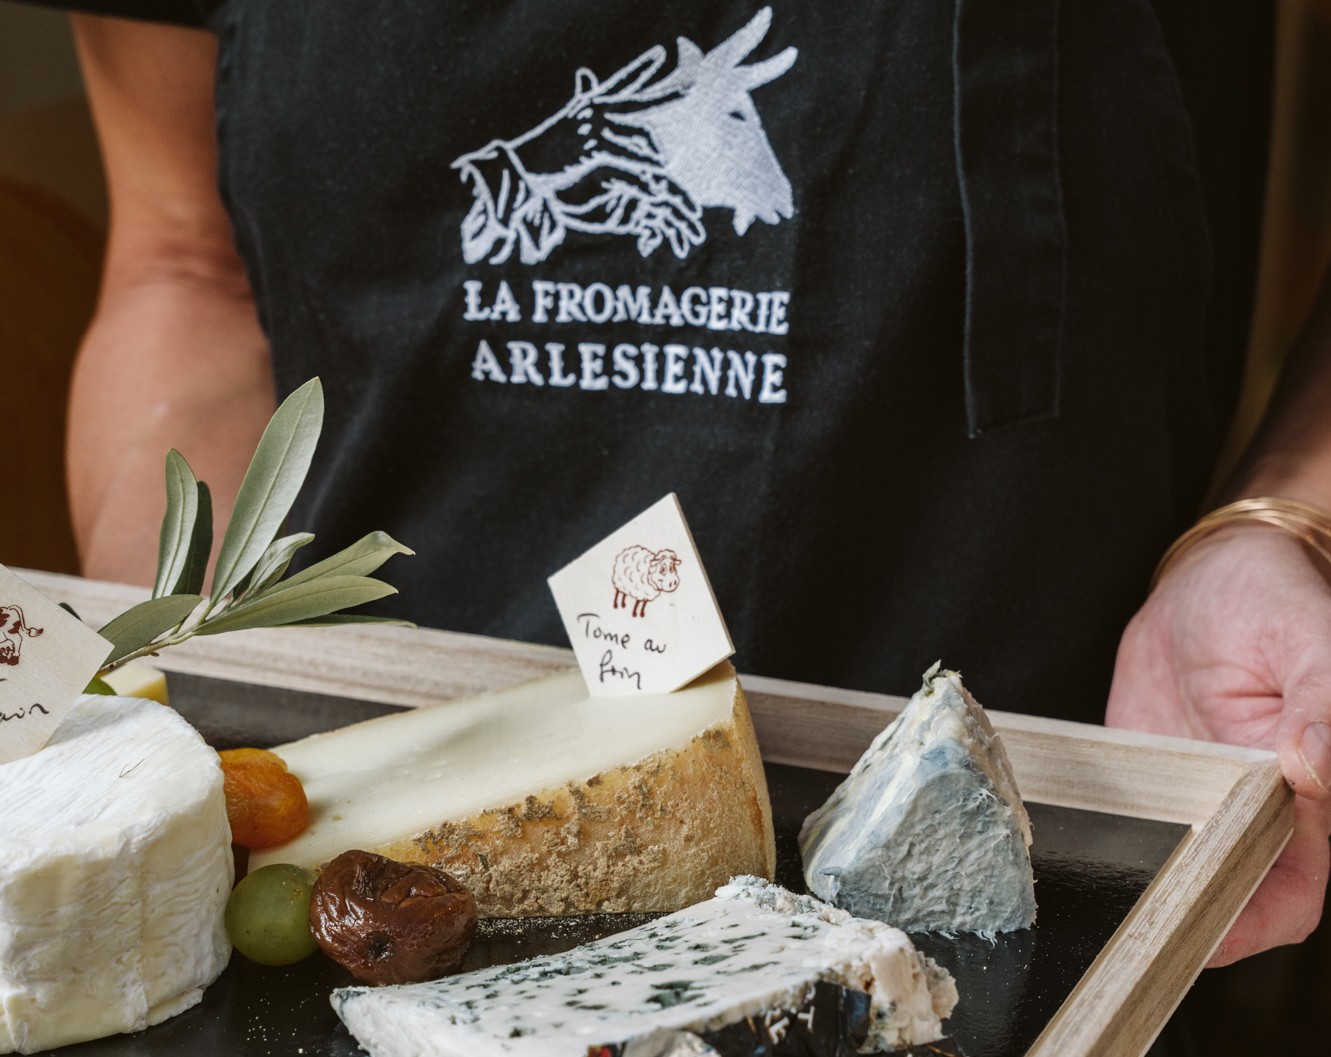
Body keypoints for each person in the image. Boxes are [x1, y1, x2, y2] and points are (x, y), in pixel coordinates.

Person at [43, 0, 1330, 974]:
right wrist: (170, 714)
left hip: (1023, 840)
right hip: (363, 819)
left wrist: (1284, 518)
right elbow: (183, 265)